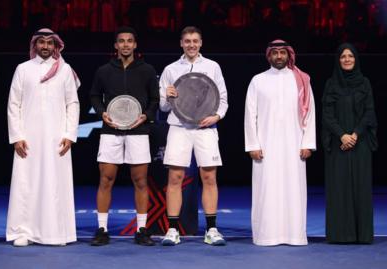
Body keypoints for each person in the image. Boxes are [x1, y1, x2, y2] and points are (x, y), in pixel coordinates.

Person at [6, 28, 80, 246]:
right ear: (35, 45)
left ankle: (57, 233)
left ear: (55, 45)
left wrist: (70, 134)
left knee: (56, 182)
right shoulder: (23, 69)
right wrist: (17, 136)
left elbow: (72, 103)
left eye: (49, 43)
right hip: (28, 138)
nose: (45, 46)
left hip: (58, 138)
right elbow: (13, 103)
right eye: (41, 42)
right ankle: (23, 232)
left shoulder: (65, 70)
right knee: (25, 182)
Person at [90, 26, 159, 246]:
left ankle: (141, 230)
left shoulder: (147, 70)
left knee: (140, 181)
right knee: (105, 180)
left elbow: (154, 100)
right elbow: (94, 95)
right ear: (116, 45)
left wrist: (146, 116)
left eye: (130, 41)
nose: (126, 45)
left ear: (135, 45)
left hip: (138, 132)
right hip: (111, 132)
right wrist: (102, 112)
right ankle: (102, 229)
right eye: (121, 41)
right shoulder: (104, 71)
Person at [159, 26, 228, 246]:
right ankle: (172, 230)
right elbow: (162, 106)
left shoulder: (212, 67)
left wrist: (216, 116)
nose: (191, 45)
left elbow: (223, 99)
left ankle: (211, 230)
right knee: (175, 178)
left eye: (195, 41)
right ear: (181, 43)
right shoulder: (170, 69)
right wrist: (167, 97)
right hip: (178, 128)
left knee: (209, 177)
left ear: (201, 43)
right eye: (187, 41)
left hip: (205, 129)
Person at [244, 40, 316, 246]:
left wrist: (307, 143)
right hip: (265, 147)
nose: (278, 56)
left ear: (289, 55)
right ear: (269, 56)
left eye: (282, 52)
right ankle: (266, 235)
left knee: (294, 190)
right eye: (275, 53)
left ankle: (294, 235)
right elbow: (250, 115)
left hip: (295, 145)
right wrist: (253, 145)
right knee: (266, 190)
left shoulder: (301, 80)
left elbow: (310, 113)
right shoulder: (258, 80)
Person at [322, 43, 377, 244]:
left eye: (350, 56)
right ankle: (340, 235)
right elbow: (327, 114)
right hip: (338, 145)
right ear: (338, 60)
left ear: (356, 59)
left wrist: (354, 134)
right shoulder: (331, 84)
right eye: (343, 56)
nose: (347, 59)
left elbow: (369, 112)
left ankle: (361, 235)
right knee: (339, 188)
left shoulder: (364, 83)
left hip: (360, 143)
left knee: (360, 187)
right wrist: (342, 135)